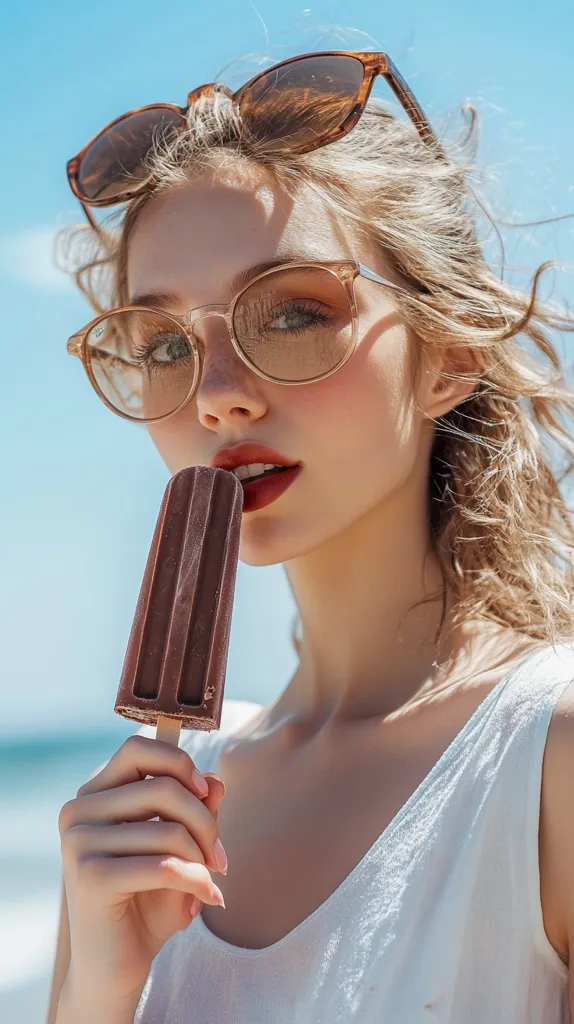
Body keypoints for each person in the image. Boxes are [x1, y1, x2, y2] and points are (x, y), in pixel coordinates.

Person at [48, 49, 574, 1024]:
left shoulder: (549, 754)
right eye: (164, 343)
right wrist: (95, 992)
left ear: (447, 354)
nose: (215, 396)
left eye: (293, 311)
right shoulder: (137, 818)